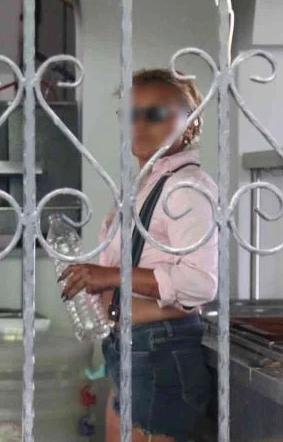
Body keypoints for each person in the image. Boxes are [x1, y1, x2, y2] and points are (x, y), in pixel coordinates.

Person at [59, 69, 218, 442]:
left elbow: (201, 283)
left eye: (156, 113)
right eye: (132, 113)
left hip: (159, 351)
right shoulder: (146, 184)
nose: (141, 125)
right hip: (130, 344)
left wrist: (111, 277)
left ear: (191, 124)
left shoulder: (186, 188)